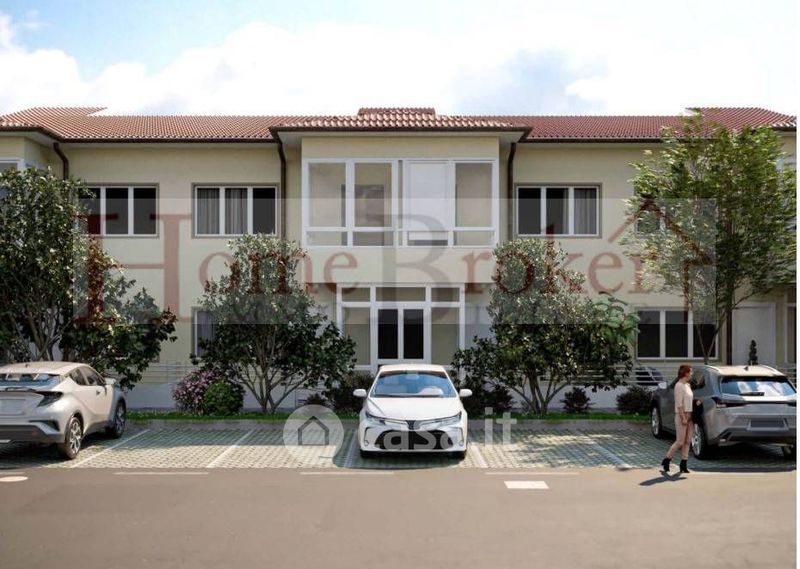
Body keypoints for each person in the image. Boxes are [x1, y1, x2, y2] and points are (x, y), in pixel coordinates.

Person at [661, 364, 694, 474]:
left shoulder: (688, 385)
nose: (692, 374)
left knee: (688, 441)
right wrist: (683, 417)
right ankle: (667, 459)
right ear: (686, 373)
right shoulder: (679, 386)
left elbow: (689, 400)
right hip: (681, 416)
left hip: (690, 415)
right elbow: (679, 404)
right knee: (680, 441)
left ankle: (683, 464)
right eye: (690, 372)